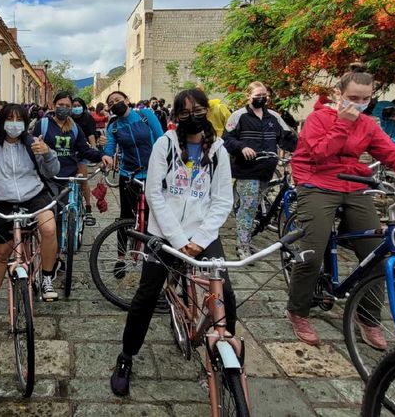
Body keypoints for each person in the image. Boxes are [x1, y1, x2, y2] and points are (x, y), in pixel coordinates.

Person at [110, 88, 235, 396]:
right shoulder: (164, 145)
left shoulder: (218, 150)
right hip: (165, 235)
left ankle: (224, 354)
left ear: (207, 110)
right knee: (146, 296)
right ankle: (126, 357)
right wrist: (179, 240)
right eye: (185, 112)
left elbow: (222, 200)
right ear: (176, 116)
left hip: (203, 235)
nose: (192, 117)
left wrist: (200, 238)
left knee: (227, 296)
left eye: (198, 110)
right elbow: (154, 194)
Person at [286, 71, 395, 347]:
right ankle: (298, 310)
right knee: (312, 250)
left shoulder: (368, 124)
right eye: (352, 98)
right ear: (338, 94)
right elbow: (319, 153)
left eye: (365, 98)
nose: (359, 103)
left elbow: (391, 153)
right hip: (317, 182)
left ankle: (368, 317)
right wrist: (343, 125)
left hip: (353, 185)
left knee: (377, 252)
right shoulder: (318, 118)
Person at [0, 104, 61, 325]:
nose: (14, 123)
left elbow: (52, 171)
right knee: (2, 251)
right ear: (1, 121)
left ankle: (47, 278)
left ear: (26, 123)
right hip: (5, 200)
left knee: (48, 228)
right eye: (10, 118)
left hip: (34, 195)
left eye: (19, 119)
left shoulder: (32, 144)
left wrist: (47, 154)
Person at [223, 81, 297, 259]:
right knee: (248, 207)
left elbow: (287, 138)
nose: (262, 98)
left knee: (253, 205)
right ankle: (243, 246)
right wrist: (241, 148)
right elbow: (227, 139)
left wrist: (300, 153)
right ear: (248, 96)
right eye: (258, 95)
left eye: (264, 95)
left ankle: (247, 236)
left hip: (267, 169)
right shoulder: (238, 116)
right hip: (247, 169)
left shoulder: (273, 117)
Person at [34, 93, 103, 269]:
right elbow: (31, 147)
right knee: (50, 218)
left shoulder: (74, 128)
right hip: (46, 178)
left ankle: (55, 257)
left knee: (60, 217)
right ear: (53, 104)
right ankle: (52, 257)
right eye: (60, 104)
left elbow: (83, 150)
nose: (63, 107)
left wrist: (103, 155)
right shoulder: (43, 125)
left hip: (67, 177)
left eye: (67, 105)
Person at [100, 91, 164, 277]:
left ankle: (153, 256)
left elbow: (161, 138)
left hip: (152, 173)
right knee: (125, 217)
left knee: (153, 218)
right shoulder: (113, 125)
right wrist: (106, 155)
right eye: (111, 103)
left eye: (118, 100)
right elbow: (110, 147)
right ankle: (120, 259)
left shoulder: (146, 115)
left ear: (127, 100)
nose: (115, 104)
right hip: (129, 174)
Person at [70, 96, 101, 224]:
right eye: (74, 105)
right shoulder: (67, 119)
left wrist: (95, 151)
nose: (76, 108)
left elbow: (91, 135)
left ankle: (88, 207)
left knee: (83, 179)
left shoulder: (88, 118)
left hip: (83, 151)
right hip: (69, 152)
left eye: (78, 105)